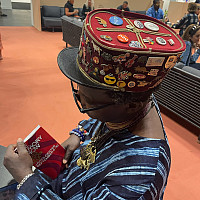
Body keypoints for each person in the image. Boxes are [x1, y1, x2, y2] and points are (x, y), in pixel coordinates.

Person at [4, 8, 186, 200]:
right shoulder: (139, 97)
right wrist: (79, 134)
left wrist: (26, 179)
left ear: (130, 105)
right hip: (64, 180)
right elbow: (104, 120)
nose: (79, 98)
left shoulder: (136, 182)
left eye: (90, 102)